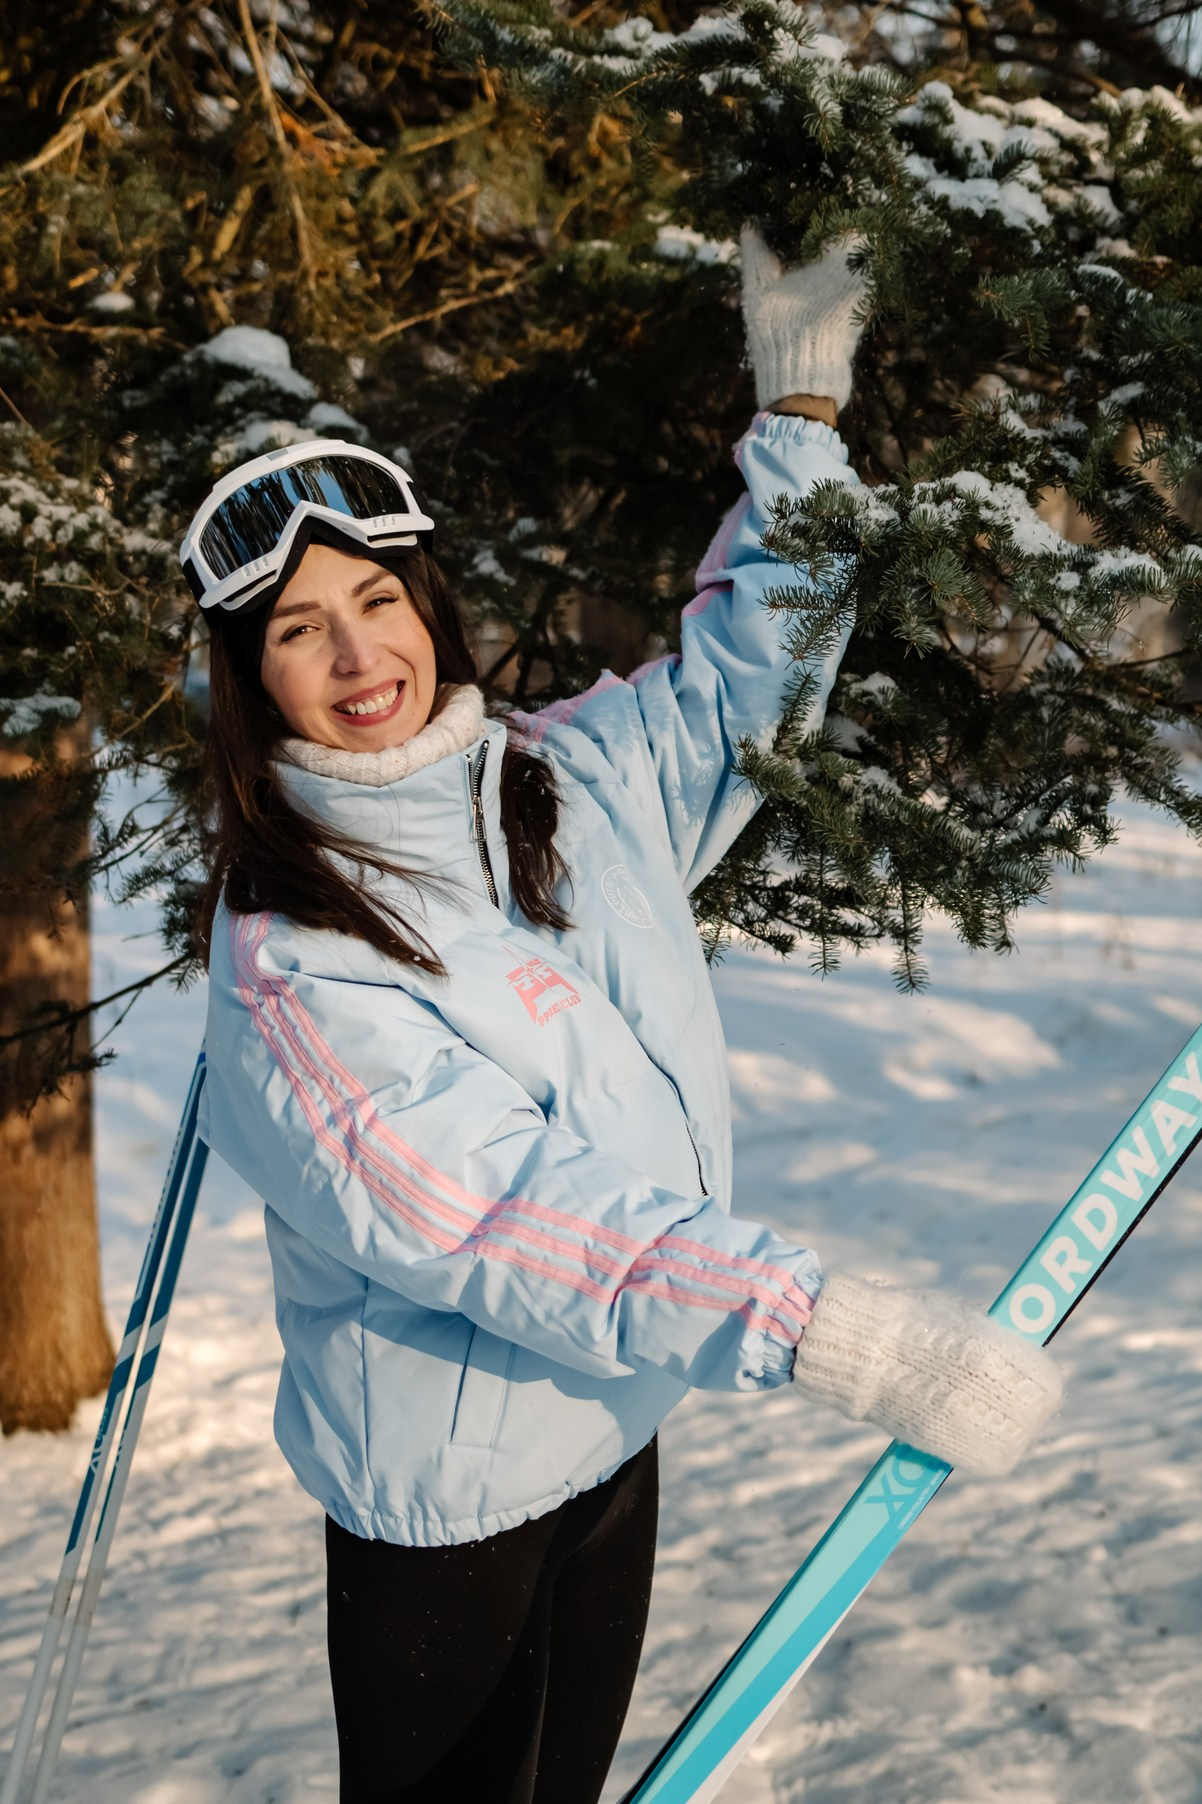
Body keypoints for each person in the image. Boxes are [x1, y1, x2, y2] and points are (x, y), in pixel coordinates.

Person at [186, 232, 1062, 1804]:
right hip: (448, 1511)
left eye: (375, 599)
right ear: (254, 678)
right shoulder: (292, 960)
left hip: (607, 1427)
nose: (358, 653)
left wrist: (798, 421)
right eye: (299, 630)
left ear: (428, 604)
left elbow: (743, 681)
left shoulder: (561, 772)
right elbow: (500, 1213)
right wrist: (828, 1332)